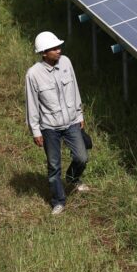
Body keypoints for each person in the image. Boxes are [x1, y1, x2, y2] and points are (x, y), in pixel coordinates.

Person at [25, 31, 88, 215]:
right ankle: (58, 201)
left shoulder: (66, 62)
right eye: (54, 48)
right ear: (44, 53)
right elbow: (32, 104)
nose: (59, 50)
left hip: (70, 122)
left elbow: (74, 88)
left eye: (59, 47)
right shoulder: (33, 74)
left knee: (81, 157)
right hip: (49, 128)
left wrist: (79, 114)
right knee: (54, 166)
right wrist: (35, 131)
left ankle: (72, 178)